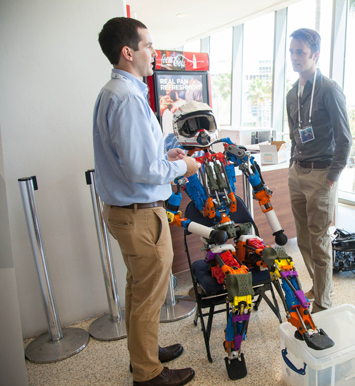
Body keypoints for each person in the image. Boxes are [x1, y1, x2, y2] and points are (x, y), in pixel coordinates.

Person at [94, 17, 200, 386]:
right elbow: (141, 168)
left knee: (140, 289)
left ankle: (144, 355)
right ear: (128, 52)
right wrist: (183, 165)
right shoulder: (126, 98)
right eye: (149, 46)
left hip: (128, 212)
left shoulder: (117, 92)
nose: (155, 53)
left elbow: (137, 160)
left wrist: (164, 161)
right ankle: (149, 374)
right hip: (139, 215)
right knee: (148, 295)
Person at [286, 28, 352, 313]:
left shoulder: (329, 90)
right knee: (303, 238)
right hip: (297, 173)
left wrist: (331, 177)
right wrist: (292, 165)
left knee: (320, 238)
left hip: (321, 174)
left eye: (300, 52)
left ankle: (323, 301)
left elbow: (345, 138)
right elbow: (294, 135)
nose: (294, 57)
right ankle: (319, 283)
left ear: (315, 55)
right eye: (291, 52)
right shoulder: (292, 94)